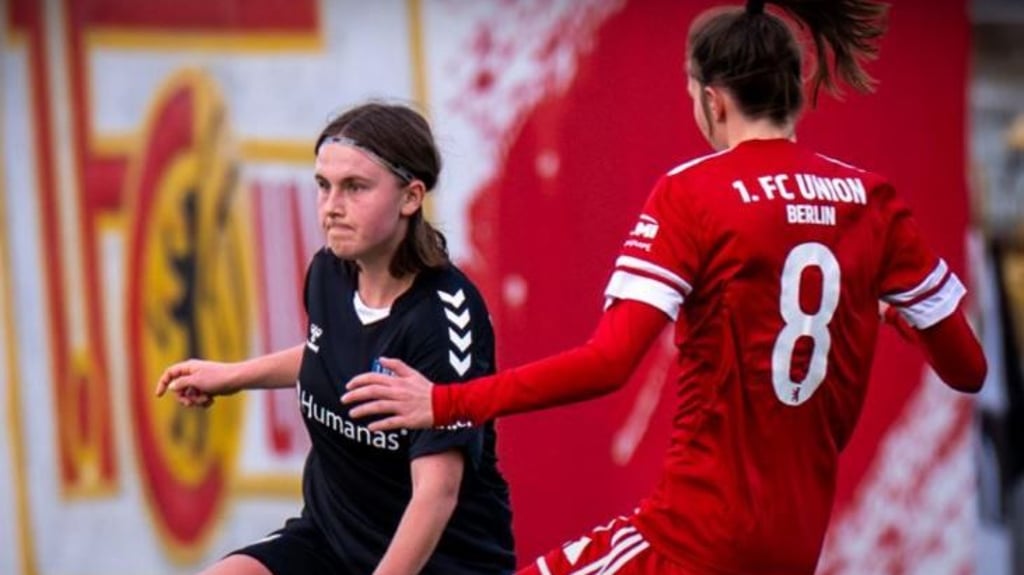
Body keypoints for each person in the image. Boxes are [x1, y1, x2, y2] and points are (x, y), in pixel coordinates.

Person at [341, 2, 989, 574]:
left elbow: (609, 361)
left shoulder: (696, 192)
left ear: (712, 98)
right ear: (795, 90)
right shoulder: (872, 202)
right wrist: (901, 321)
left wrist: (448, 400)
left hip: (689, 541)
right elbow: (968, 368)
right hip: (795, 551)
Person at [154, 102, 516, 575]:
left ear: (411, 197)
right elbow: (330, 354)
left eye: (355, 188)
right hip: (329, 538)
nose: (331, 208)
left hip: (434, 563)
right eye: (323, 186)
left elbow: (437, 494)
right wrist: (232, 376)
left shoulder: (445, 319)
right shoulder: (329, 271)